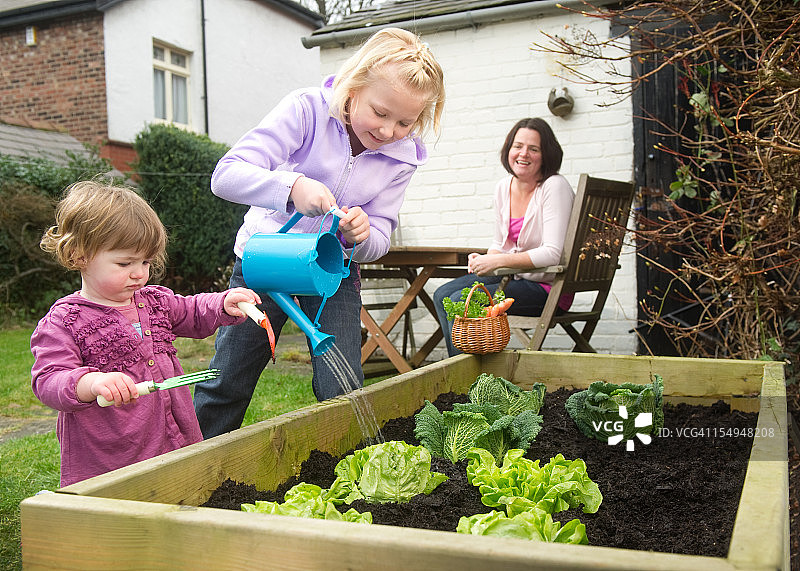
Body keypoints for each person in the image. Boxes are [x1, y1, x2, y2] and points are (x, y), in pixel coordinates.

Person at [193, 27, 446, 438]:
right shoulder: (307, 110)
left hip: (332, 272)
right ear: (353, 87)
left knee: (342, 385)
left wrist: (361, 235)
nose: (388, 132)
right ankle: (188, 469)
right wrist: (291, 187)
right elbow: (226, 176)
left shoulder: (403, 157)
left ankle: (347, 472)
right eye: (380, 113)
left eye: (405, 121)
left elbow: (379, 235)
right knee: (228, 379)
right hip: (266, 263)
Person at [30, 181, 261, 487]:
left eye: (146, 262)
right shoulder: (65, 321)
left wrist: (222, 302)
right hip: (111, 453)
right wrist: (92, 382)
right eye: (125, 263)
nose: (139, 272)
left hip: (170, 435)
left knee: (177, 492)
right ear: (79, 255)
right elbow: (49, 379)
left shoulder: (154, 301)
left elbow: (191, 310)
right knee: (120, 515)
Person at [433, 118, 575, 357]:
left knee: (463, 300)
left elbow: (552, 252)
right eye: (518, 146)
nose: (523, 154)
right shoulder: (503, 187)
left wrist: (498, 262)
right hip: (515, 279)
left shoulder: (554, 186)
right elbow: (500, 244)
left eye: (534, 148)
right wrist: (486, 260)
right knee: (442, 296)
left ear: (546, 154)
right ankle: (460, 371)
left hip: (548, 288)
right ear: (508, 149)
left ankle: (469, 378)